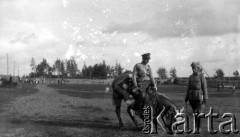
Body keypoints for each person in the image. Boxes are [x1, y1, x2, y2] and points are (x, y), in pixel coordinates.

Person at [185, 62, 208, 133]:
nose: (193, 70)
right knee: (194, 113)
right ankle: (195, 127)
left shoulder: (201, 77)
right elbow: (188, 88)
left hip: (199, 97)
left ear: (198, 69)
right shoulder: (190, 77)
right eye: (192, 68)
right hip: (191, 98)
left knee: (198, 112)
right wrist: (186, 97)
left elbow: (204, 88)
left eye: (194, 68)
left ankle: (199, 127)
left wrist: (205, 98)